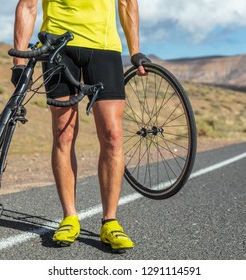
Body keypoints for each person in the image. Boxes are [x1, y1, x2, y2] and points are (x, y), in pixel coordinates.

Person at [11, 0, 150, 252]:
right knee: (64, 133)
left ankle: (110, 221)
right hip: (58, 46)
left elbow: (128, 2)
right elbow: (28, 5)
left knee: (113, 135)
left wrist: (135, 50)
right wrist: (19, 63)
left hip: (104, 47)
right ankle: (69, 217)